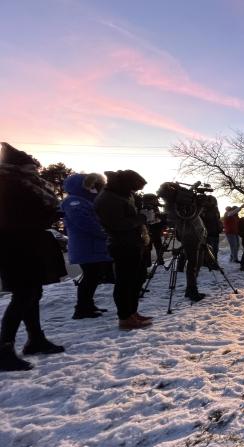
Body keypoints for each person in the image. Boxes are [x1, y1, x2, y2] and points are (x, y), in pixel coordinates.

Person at [0, 143, 66, 371]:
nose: (35, 169)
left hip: (28, 242)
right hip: (15, 246)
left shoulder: (23, 183)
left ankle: (35, 339)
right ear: (19, 166)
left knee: (32, 293)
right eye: (31, 166)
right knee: (23, 295)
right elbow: (16, 218)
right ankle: (4, 348)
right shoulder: (9, 184)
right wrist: (47, 212)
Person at [94, 169, 153, 330]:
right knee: (125, 282)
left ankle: (132, 312)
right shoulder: (108, 198)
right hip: (122, 245)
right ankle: (125, 317)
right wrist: (142, 218)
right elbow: (118, 224)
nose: (135, 192)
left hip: (134, 243)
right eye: (134, 188)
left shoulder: (122, 194)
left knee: (137, 279)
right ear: (127, 184)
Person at [62, 173, 113, 320]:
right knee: (90, 277)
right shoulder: (74, 202)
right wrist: (105, 233)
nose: (94, 188)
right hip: (86, 245)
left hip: (93, 246)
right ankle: (82, 308)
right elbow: (85, 222)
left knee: (93, 277)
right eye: (91, 185)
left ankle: (87, 305)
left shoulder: (87, 201)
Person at [201, 195, 222, 264]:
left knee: (215, 249)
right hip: (209, 233)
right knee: (209, 249)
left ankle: (214, 262)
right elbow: (205, 220)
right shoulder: (204, 210)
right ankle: (209, 263)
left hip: (215, 232)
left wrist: (220, 227)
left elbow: (217, 219)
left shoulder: (215, 209)